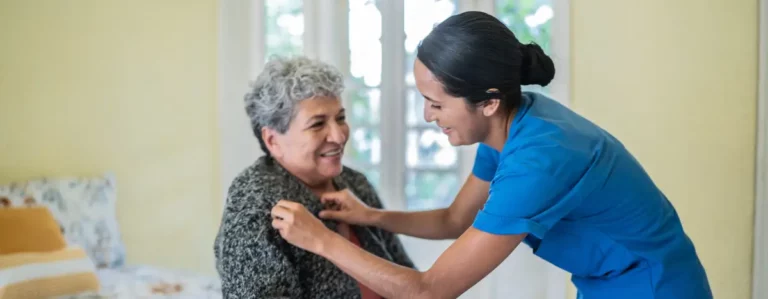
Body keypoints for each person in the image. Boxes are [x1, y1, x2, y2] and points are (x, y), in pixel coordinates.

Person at [269, 11, 713, 299]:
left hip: (653, 288)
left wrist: (320, 240)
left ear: (488, 101)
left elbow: (430, 291)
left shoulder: (540, 161)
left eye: (437, 104)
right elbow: (454, 221)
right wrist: (371, 216)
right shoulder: (513, 127)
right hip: (604, 284)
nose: (426, 116)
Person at [213, 56, 414, 299]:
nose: (339, 136)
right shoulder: (254, 201)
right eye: (318, 124)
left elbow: (406, 276)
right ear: (272, 140)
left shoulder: (354, 184)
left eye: (340, 118)